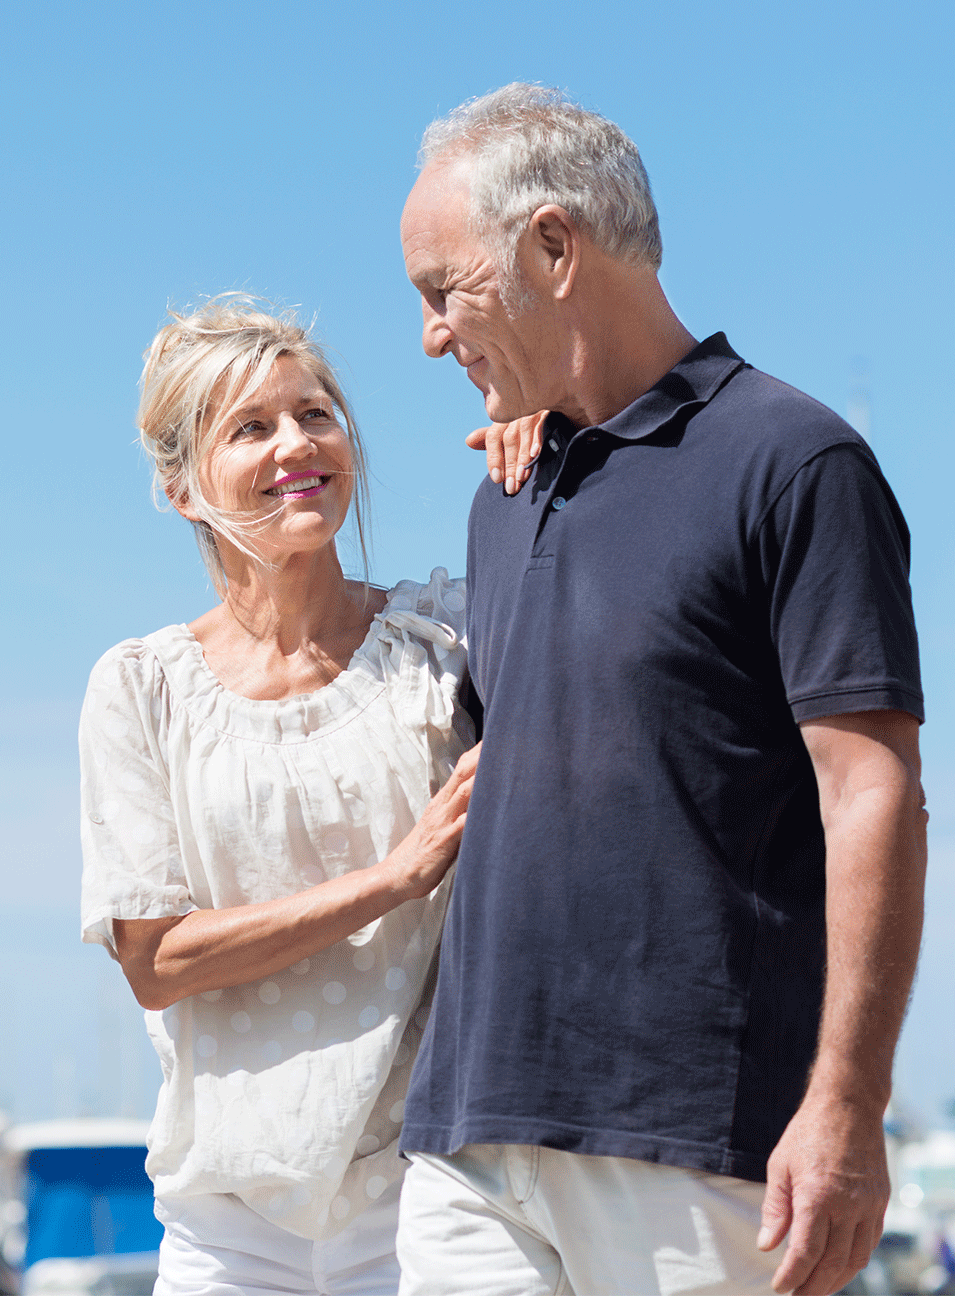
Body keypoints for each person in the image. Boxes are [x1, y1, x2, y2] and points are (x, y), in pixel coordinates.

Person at [394, 84, 927, 1296]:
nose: (428, 333)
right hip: (471, 1135)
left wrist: (847, 1102)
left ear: (551, 246)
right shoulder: (504, 490)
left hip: (700, 1146)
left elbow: (871, 794)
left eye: (441, 288)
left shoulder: (796, 462)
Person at [78, 296, 539, 1295]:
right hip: (230, 1224)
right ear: (178, 488)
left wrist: (550, 453)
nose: (298, 443)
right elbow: (155, 958)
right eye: (251, 428)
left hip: (436, 1194)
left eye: (316, 412)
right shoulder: (142, 688)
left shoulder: (444, 641)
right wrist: (394, 878)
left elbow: (593, 618)